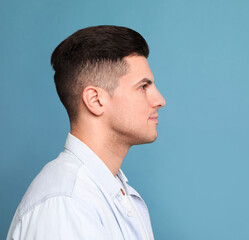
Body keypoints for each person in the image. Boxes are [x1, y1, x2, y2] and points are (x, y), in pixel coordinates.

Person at [7, 25, 166, 240]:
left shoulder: (112, 191)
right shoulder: (67, 204)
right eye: (143, 87)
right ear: (95, 100)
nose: (160, 100)